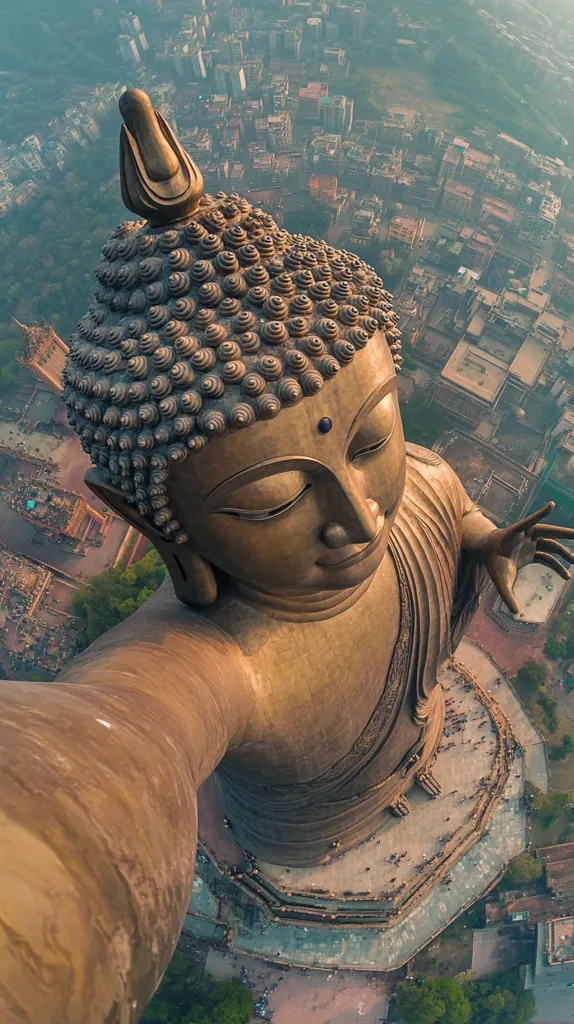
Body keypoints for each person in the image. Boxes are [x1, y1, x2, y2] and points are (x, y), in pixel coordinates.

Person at [2, 90, 574, 1023]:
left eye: (371, 440)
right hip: (302, 833)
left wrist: (482, 538)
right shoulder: (215, 658)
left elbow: (439, 490)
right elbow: (107, 747)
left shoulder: (415, 488)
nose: (357, 516)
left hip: (422, 734)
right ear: (162, 527)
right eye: (273, 499)